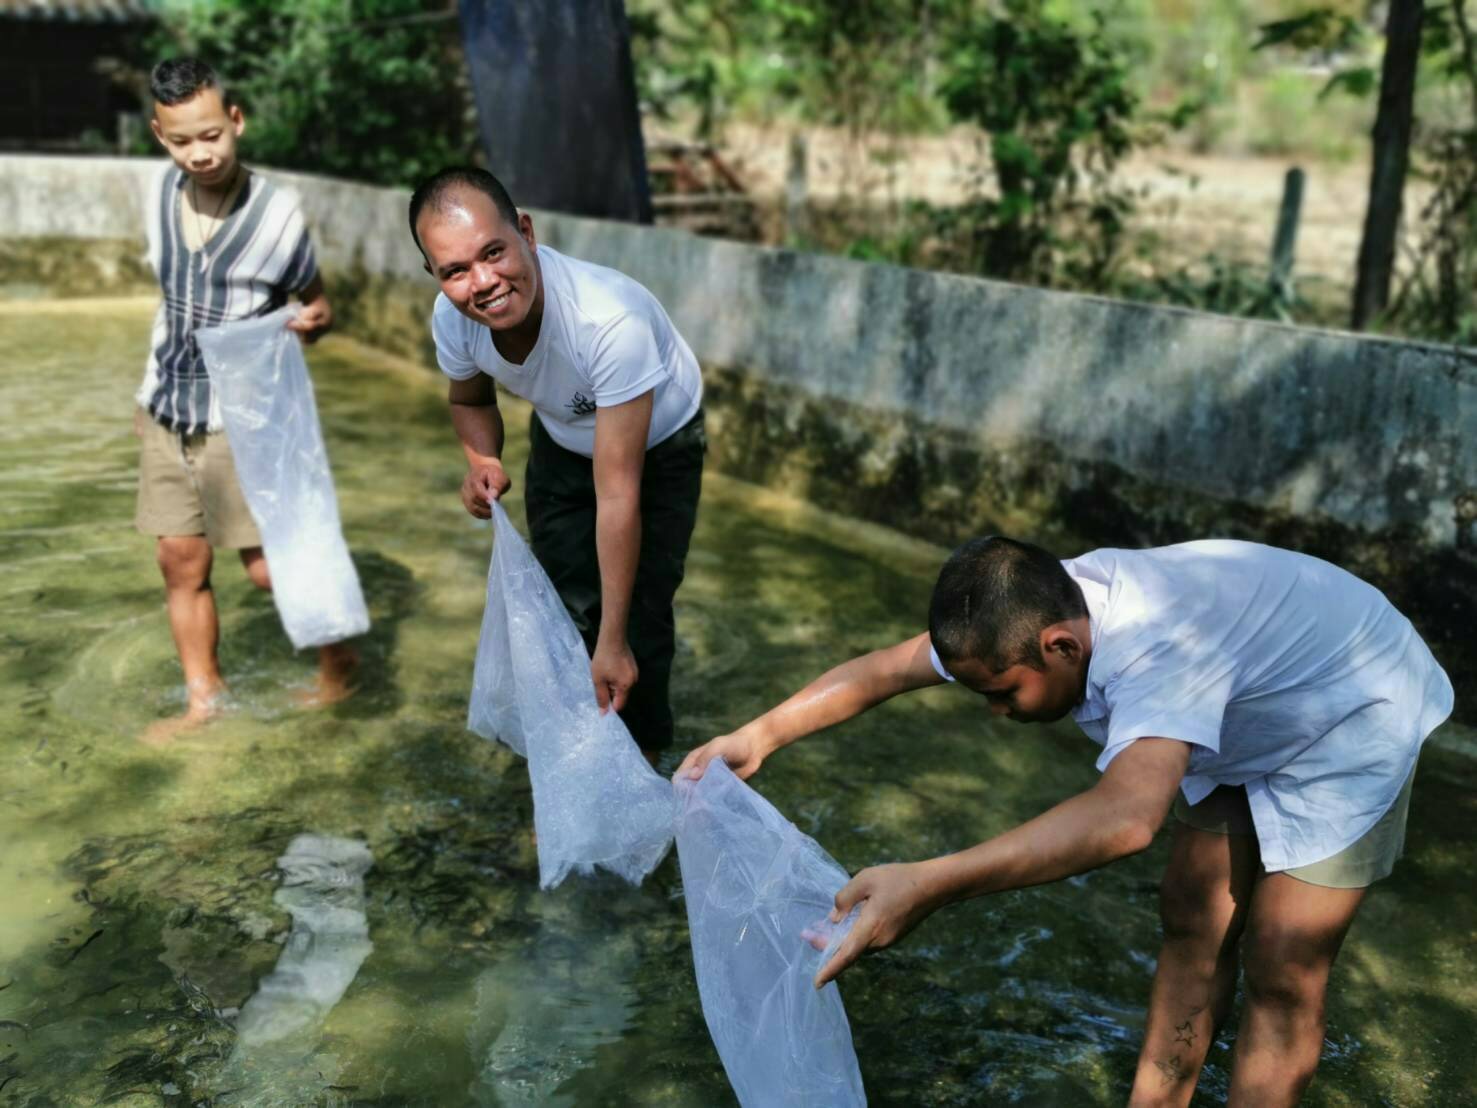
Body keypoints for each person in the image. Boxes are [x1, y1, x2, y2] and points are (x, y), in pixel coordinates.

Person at [677, 536, 1453, 1107]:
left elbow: (1124, 820)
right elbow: (884, 669)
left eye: (1003, 695)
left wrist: (927, 884)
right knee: (1192, 913)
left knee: (1283, 956)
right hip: (1250, 703)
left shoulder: (1158, 657)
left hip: (1350, 710)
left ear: (1060, 645)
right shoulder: (1020, 617)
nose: (992, 713)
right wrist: (760, 734)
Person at [409, 167, 705, 757]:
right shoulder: (453, 320)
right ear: (435, 276)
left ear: (525, 231)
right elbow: (469, 397)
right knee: (562, 609)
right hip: (563, 437)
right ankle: (577, 762)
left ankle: (639, 769)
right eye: (456, 271)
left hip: (656, 447)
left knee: (637, 621)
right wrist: (482, 457)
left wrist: (614, 640)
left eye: (493, 252)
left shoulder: (607, 318)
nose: (484, 282)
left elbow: (618, 494)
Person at [136, 58, 356, 743]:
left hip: (246, 418)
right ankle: (204, 700)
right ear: (159, 135)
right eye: (180, 141)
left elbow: (313, 301)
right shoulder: (155, 197)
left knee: (268, 569)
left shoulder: (278, 214)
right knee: (179, 559)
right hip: (166, 405)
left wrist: (312, 321)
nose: (199, 153)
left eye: (210, 135)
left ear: (235, 121)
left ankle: (338, 666)